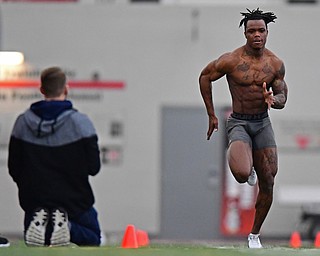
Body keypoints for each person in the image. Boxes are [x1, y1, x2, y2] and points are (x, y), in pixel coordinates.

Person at [199, 8, 288, 248]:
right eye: (252, 31)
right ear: (245, 34)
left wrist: (273, 100)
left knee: (268, 180)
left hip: (262, 123)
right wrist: (211, 114)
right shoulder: (232, 60)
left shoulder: (275, 64)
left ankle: (254, 235)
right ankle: (247, 167)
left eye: (261, 30)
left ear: (267, 32)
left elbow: (282, 96)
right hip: (238, 120)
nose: (257, 35)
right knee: (240, 175)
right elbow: (205, 77)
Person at [8, 67, 102, 247]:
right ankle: (66, 226)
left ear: (41, 90)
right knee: (93, 237)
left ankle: (45, 226)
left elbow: (14, 169)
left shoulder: (21, 123)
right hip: (74, 202)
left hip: (35, 203)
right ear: (66, 89)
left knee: (40, 232)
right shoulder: (80, 123)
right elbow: (94, 168)